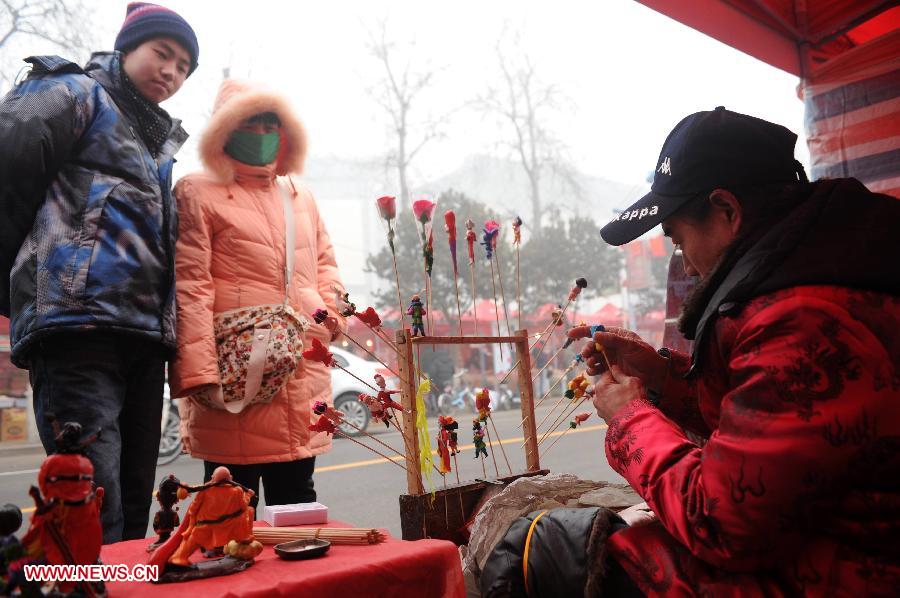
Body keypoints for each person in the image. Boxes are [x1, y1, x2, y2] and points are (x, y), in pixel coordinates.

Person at [579, 107, 900, 594]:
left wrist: (631, 419)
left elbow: (720, 522)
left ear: (727, 211)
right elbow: (776, 427)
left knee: (559, 553)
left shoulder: (802, 316)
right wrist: (665, 380)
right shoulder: (830, 271)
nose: (684, 265)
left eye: (680, 240)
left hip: (858, 575)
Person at [0, 2, 199, 543]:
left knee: (134, 510)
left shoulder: (158, 145)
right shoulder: (70, 93)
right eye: (163, 53)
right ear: (126, 47)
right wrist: (18, 295)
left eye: (183, 66)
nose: (171, 72)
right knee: (89, 501)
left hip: (142, 338)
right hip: (75, 328)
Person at [170, 78, 346, 510]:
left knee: (299, 508)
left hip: (299, 373)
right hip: (233, 381)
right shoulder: (196, 191)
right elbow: (190, 286)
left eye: (272, 125)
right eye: (251, 124)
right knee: (229, 515)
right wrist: (198, 375)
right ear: (224, 131)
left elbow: (325, 265)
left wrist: (328, 320)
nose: (264, 135)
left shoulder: (300, 196)